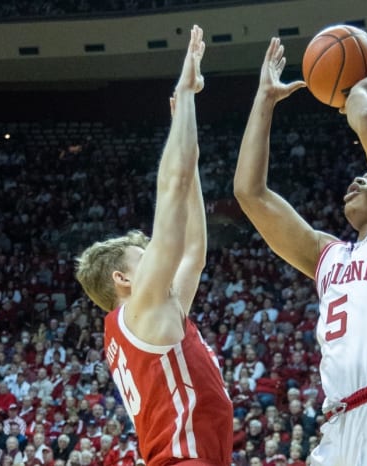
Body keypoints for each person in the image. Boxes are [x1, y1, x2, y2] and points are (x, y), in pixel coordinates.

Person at [233, 37, 367, 465]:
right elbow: (249, 193)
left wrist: (360, 92)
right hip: (338, 424)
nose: (357, 180)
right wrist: (264, 100)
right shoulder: (328, 256)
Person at [74, 25, 233, 466]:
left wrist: (192, 153)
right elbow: (172, 184)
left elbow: (194, 252)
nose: (157, 262)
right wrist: (185, 95)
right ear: (123, 279)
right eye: (144, 258)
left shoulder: (152, 318)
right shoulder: (141, 308)